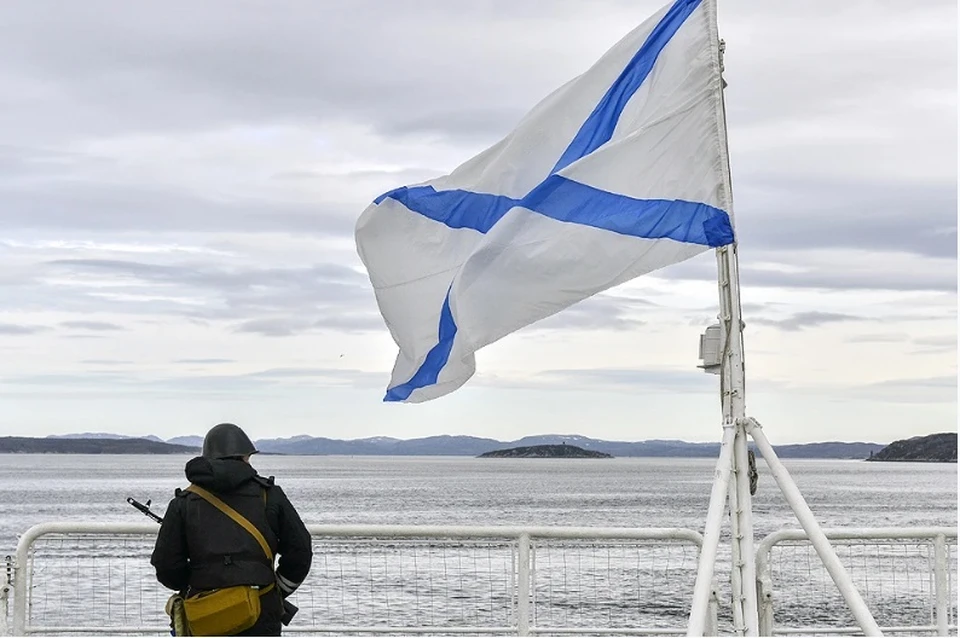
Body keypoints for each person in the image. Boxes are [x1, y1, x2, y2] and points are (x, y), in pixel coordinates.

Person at [151, 423, 313, 636]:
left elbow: (166, 565)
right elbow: (300, 551)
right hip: (261, 611)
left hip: (204, 613)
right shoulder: (270, 495)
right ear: (245, 457)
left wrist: (196, 585)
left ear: (207, 457)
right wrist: (277, 591)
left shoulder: (183, 503)